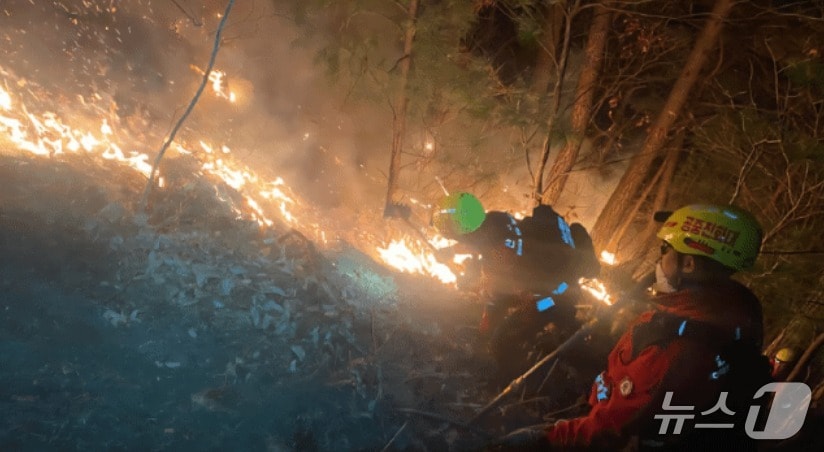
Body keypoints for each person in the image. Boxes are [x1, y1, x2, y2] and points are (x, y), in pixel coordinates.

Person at [497, 204, 772, 450]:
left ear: (688, 264)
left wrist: (544, 440)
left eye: (665, 250)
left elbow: (608, 430)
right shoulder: (731, 309)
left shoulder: (679, 343)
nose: (659, 261)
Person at [432, 193, 600, 382]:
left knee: (504, 338)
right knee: (503, 305)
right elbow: (478, 245)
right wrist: (451, 252)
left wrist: (491, 312)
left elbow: (496, 292)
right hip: (550, 284)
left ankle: (510, 382)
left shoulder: (500, 254)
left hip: (555, 296)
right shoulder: (494, 220)